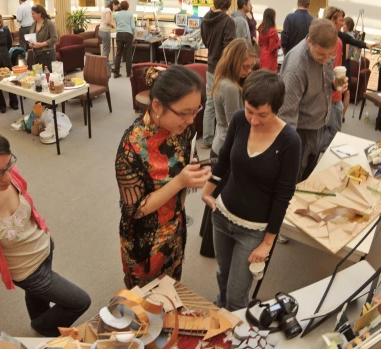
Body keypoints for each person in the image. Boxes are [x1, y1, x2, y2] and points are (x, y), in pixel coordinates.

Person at [0, 123, 91, 348]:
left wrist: (44, 231)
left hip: (44, 248)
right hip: (27, 271)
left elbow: (27, 206)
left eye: (9, 165)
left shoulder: (7, 172)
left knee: (37, 298)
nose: (7, 177)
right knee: (80, 301)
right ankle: (44, 327)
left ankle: (38, 321)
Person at [202, 70, 300, 310]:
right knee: (223, 276)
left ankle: (235, 332)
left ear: (276, 108)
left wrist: (268, 242)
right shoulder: (238, 119)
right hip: (222, 216)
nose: (254, 120)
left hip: (253, 231)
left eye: (262, 115)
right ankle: (221, 316)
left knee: (237, 296)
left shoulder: (290, 142)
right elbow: (224, 161)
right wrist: (208, 192)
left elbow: (283, 195)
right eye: (250, 111)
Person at [115, 66, 212, 288]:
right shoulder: (132, 146)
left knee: (170, 291)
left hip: (175, 228)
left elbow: (188, 159)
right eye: (185, 113)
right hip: (144, 242)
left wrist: (197, 171)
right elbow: (136, 209)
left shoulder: (183, 129)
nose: (191, 120)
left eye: (196, 111)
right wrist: (180, 181)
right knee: (144, 303)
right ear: (157, 106)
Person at [199, 39, 257, 257]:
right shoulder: (232, 88)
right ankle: (211, 247)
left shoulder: (222, 79)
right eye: (246, 67)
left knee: (213, 194)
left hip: (219, 144)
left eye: (251, 66)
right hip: (227, 147)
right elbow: (236, 125)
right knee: (221, 201)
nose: (249, 70)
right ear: (234, 62)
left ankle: (207, 238)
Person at [278, 19, 346, 182]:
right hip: (300, 131)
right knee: (294, 178)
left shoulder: (326, 51)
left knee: (309, 174)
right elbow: (286, 114)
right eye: (321, 54)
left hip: (318, 126)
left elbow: (321, 82)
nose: (326, 58)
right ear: (309, 42)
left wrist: (334, 84)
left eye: (330, 54)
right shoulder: (297, 67)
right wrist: (289, 150)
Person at [200, 0, 236, 149]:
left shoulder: (205, 20)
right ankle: (222, 142)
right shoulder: (228, 21)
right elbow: (230, 46)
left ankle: (207, 140)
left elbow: (205, 41)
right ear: (228, 5)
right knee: (224, 106)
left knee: (210, 103)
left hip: (210, 65)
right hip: (223, 68)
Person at [321, 7, 347, 152]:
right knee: (334, 133)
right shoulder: (336, 42)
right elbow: (335, 69)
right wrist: (338, 90)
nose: (343, 23)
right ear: (333, 20)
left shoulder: (326, 38)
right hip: (333, 93)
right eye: (341, 20)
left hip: (325, 92)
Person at [30, 5, 58, 71]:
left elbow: (54, 38)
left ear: (39, 14)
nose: (32, 15)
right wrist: (31, 44)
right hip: (36, 54)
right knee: (38, 75)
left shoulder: (49, 23)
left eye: (33, 13)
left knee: (48, 76)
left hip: (47, 54)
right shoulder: (34, 24)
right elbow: (32, 36)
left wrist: (41, 44)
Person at [112, 1, 135, 78]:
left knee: (118, 53)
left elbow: (117, 24)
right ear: (128, 7)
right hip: (128, 33)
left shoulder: (116, 15)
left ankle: (116, 73)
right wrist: (133, 35)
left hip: (119, 34)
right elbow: (133, 27)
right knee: (128, 54)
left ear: (120, 7)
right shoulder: (130, 14)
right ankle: (129, 73)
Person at [99, 0, 120, 69]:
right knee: (106, 50)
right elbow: (107, 21)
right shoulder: (108, 10)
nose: (117, 8)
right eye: (117, 6)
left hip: (101, 30)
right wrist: (112, 25)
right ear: (113, 4)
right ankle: (103, 66)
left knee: (105, 49)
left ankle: (107, 66)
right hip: (105, 31)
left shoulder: (106, 9)